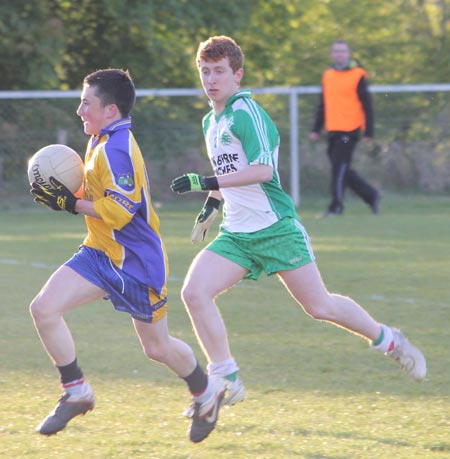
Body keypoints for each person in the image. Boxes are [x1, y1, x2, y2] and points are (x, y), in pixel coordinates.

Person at [170, 35, 426, 415]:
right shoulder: (211, 120)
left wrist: (204, 183)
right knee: (193, 292)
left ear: (237, 76)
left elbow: (261, 170)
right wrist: (211, 206)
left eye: (220, 71)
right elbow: (230, 172)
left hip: (276, 229)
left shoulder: (246, 113)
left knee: (320, 306)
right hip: (237, 236)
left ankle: (389, 340)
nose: (211, 79)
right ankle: (226, 376)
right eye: (205, 71)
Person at [29, 68, 224, 443]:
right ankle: (76, 391)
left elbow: (120, 211)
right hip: (100, 253)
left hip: (136, 263)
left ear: (111, 110)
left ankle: (206, 392)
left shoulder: (116, 149)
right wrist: (61, 193)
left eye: (87, 103)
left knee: (157, 347)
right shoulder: (101, 137)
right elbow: (97, 197)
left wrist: (71, 203)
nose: (80, 111)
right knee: (43, 308)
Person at [309, 40, 380, 216]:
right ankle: (371, 195)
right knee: (341, 170)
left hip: (351, 129)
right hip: (333, 129)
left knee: (338, 169)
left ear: (348, 54)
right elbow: (323, 104)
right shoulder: (328, 75)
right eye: (336, 51)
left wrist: (369, 131)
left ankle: (336, 207)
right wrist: (316, 129)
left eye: (342, 51)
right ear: (332, 54)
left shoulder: (358, 75)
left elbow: (367, 104)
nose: (339, 54)